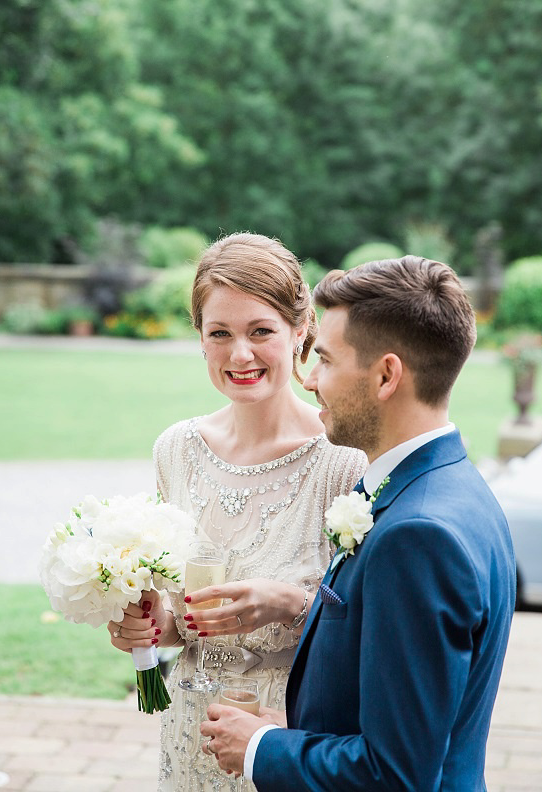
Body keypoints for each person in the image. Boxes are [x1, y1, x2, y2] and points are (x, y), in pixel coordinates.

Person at [200, 255, 517, 790]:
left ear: (386, 375)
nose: (310, 380)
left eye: (324, 359)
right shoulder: (447, 485)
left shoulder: (421, 535)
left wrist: (259, 747)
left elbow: (395, 774)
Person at [106, 232, 366, 791]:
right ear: (199, 339)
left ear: (301, 333)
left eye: (261, 331)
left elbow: (369, 630)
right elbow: (184, 626)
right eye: (219, 333)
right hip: (189, 733)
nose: (239, 354)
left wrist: (290, 603)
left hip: (290, 739)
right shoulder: (174, 450)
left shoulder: (343, 463)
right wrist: (149, 627)